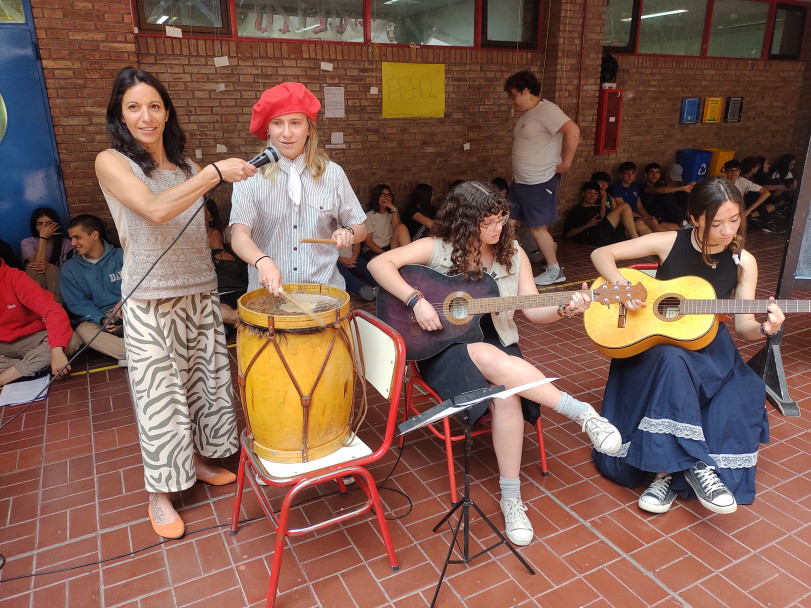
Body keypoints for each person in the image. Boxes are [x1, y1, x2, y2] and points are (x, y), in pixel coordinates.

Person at [368, 181, 621, 546]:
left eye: (500, 219)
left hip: (499, 342)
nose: (497, 228)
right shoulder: (438, 247)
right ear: (464, 220)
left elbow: (535, 311)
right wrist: (415, 301)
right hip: (441, 349)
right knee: (490, 362)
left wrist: (568, 308)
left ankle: (511, 497)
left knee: (506, 393)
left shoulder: (513, 253)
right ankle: (581, 413)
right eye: (487, 222)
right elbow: (379, 263)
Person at [95, 66, 258, 539]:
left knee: (203, 387)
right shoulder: (112, 161)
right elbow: (154, 209)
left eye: (153, 106)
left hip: (199, 291)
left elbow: (195, 228)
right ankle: (159, 494)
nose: (145, 116)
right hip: (148, 301)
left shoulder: (185, 168)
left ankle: (200, 461)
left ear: (167, 112)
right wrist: (214, 174)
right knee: (159, 401)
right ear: (120, 115)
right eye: (133, 107)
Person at [590, 176, 784, 516]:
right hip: (655, 346)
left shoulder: (743, 262)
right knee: (671, 359)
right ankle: (679, 469)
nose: (727, 231)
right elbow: (601, 253)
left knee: (745, 387)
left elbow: (743, 328)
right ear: (694, 218)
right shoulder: (669, 242)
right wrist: (624, 286)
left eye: (735, 220)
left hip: (708, 346)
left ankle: (673, 471)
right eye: (717, 223)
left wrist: (768, 328)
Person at [229, 82, 367, 296]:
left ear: (309, 128)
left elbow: (360, 227)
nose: (286, 133)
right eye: (277, 123)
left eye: (295, 123)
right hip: (268, 298)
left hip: (324, 296)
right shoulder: (249, 176)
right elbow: (238, 236)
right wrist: (262, 261)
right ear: (267, 128)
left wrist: (348, 232)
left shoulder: (333, 174)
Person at [504, 70, 581, 286]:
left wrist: (566, 163)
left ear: (526, 90)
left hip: (539, 182)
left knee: (538, 228)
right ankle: (507, 265)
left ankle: (555, 270)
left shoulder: (547, 110)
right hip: (521, 182)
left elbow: (573, 130)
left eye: (513, 95)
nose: (512, 101)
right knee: (507, 222)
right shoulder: (528, 114)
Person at [0, 256, 81, 388]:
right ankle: (36, 368)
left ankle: (7, 376)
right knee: (50, 355)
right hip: (2, 348)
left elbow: (53, 311)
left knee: (71, 340)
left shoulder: (14, 277)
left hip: (31, 340)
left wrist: (55, 350)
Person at [59, 214, 127, 365]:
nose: (73, 243)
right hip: (100, 320)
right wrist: (101, 319)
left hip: (127, 313)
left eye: (77, 237)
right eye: (71, 238)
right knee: (83, 331)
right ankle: (133, 353)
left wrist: (125, 303)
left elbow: (139, 285)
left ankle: (133, 352)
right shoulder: (69, 269)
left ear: (94, 234)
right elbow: (77, 303)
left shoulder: (121, 255)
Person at [204, 199, 248, 327]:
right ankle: (239, 320)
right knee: (216, 309)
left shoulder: (233, 249)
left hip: (242, 292)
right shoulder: (203, 254)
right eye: (210, 235)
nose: (215, 234)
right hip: (222, 295)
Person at [20, 207, 74, 302]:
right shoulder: (27, 242)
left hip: (60, 286)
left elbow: (69, 273)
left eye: (49, 223)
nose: (45, 228)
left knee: (51, 270)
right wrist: (43, 238)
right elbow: (36, 265)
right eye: (40, 224)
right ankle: (41, 307)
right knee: (32, 266)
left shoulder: (67, 243)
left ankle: (57, 308)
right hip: (38, 289)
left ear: (57, 225)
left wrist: (49, 266)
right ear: (35, 226)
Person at [563, 181, 640, 246]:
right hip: (595, 238)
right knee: (625, 206)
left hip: (606, 235)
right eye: (589, 192)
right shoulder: (576, 211)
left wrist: (603, 199)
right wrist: (587, 225)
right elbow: (567, 235)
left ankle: (650, 250)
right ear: (583, 194)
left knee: (640, 224)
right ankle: (637, 243)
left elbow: (602, 218)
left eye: (595, 193)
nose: (592, 195)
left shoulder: (595, 208)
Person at [721, 159, 779, 234]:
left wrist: (749, 210)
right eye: (730, 170)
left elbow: (766, 193)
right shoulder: (721, 183)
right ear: (725, 172)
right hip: (726, 211)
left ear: (739, 172)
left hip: (740, 209)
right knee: (742, 228)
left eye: (736, 170)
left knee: (754, 194)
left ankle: (768, 223)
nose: (734, 173)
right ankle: (752, 220)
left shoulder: (742, 181)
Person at [592, 170, 651, 237]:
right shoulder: (592, 196)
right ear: (594, 182)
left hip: (614, 225)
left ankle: (658, 245)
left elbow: (617, 212)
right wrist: (603, 199)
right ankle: (635, 238)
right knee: (625, 206)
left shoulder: (609, 197)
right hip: (601, 229)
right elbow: (601, 217)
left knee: (639, 224)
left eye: (606, 184)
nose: (604, 186)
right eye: (601, 183)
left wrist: (636, 219)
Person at [607, 161, 661, 233]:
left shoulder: (635, 186)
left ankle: (668, 241)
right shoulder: (616, 188)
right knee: (641, 225)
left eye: (632, 173)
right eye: (627, 173)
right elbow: (624, 209)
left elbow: (640, 207)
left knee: (653, 221)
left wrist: (648, 217)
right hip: (626, 219)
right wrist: (641, 217)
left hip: (638, 216)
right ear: (621, 174)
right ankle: (659, 242)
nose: (630, 176)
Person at [362, 184, 410, 259]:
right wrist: (382, 252)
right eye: (383, 195)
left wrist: (393, 209)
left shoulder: (392, 214)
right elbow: (368, 241)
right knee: (381, 262)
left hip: (390, 246)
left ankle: (409, 259)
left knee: (402, 227)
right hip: (374, 250)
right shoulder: (369, 216)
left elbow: (397, 230)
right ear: (377, 197)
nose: (386, 198)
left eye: (389, 195)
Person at [639, 163, 690, 230]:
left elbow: (673, 186)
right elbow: (658, 190)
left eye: (657, 172)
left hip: (664, 213)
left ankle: (687, 221)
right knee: (666, 195)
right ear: (646, 174)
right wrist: (682, 188)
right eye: (652, 172)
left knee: (683, 194)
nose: (655, 175)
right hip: (653, 215)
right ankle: (683, 223)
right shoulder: (644, 186)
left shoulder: (660, 184)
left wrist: (688, 186)